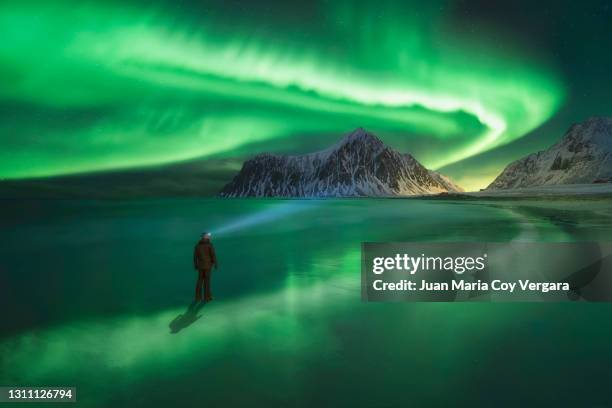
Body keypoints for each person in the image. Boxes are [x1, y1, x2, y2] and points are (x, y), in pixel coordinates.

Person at [193, 232, 218, 302]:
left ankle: (197, 297)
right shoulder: (209, 245)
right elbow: (213, 255)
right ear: (205, 237)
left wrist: (195, 265)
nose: (210, 237)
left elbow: (195, 257)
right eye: (208, 236)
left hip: (200, 266)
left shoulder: (197, 246)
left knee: (199, 281)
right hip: (208, 266)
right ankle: (207, 297)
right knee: (207, 282)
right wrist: (215, 263)